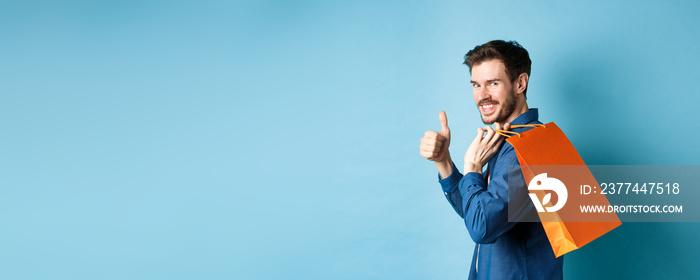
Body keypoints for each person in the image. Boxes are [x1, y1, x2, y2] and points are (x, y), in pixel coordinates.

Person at [419, 40, 563, 279]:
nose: (482, 95)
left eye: (492, 84)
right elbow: (476, 211)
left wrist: (473, 168)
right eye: (476, 85)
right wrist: (443, 161)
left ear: (520, 83)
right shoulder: (508, 140)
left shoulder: (527, 145)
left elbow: (481, 227)